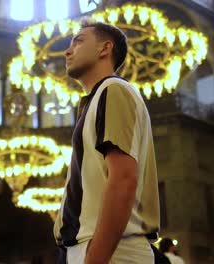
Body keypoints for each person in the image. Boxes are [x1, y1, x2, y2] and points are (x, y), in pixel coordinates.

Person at [53, 19, 160, 264]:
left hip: (111, 251)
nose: (68, 51)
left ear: (105, 48)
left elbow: (123, 179)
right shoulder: (98, 97)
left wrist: (95, 259)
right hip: (97, 247)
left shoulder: (113, 89)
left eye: (78, 41)